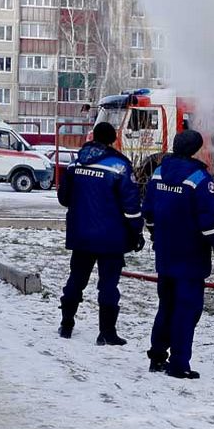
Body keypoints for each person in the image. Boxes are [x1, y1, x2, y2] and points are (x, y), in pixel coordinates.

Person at [142, 129, 214, 379]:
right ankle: (179, 364)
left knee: (166, 306)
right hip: (191, 256)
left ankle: (157, 357)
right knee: (187, 310)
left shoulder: (158, 173)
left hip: (166, 254)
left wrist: (156, 235)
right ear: (195, 149)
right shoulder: (200, 179)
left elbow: (148, 211)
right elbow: (209, 222)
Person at [56, 121, 143, 345]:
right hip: (111, 238)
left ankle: (66, 324)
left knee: (76, 279)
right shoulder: (120, 166)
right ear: (113, 139)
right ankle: (107, 332)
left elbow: (64, 198)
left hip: (81, 235)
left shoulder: (75, 162)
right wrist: (136, 233)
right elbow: (131, 207)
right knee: (108, 285)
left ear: (93, 138)